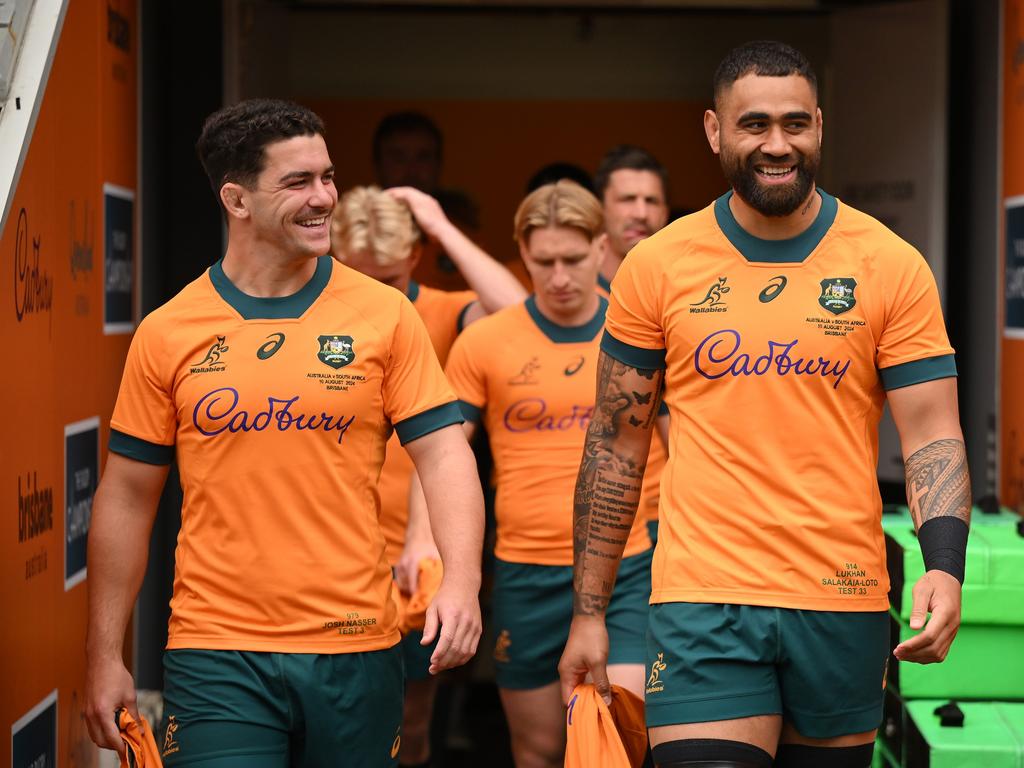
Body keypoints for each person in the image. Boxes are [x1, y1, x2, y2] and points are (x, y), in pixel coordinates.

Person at [559, 41, 969, 768]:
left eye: (794, 124)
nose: (776, 145)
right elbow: (616, 444)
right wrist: (589, 612)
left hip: (842, 599)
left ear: (819, 125)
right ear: (715, 131)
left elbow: (932, 431)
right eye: (753, 126)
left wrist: (944, 564)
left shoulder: (888, 263)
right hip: (701, 600)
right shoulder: (659, 264)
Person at [84, 98, 484, 767]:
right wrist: (102, 654)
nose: (325, 197)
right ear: (236, 200)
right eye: (298, 183)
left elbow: (443, 454)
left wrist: (462, 581)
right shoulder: (168, 330)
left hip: (356, 645)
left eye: (327, 177)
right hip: (216, 650)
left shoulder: (385, 315)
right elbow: (126, 494)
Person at [443, 180, 655, 768]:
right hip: (524, 570)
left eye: (573, 259)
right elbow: (443, 456)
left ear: (602, 249)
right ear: (522, 254)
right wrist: (428, 548)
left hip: (626, 566)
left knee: (615, 740)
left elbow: (685, 442)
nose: (559, 276)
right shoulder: (485, 341)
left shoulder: (639, 331)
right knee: (537, 749)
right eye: (543, 262)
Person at [331, 184, 526, 768]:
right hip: (336, 552)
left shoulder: (441, 310)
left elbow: (519, 316)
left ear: (413, 257)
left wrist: (439, 225)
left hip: (419, 557)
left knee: (410, 724)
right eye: (358, 275)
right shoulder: (315, 316)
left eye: (388, 279)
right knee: (340, 722)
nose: (375, 293)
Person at [593, 145, 672, 542]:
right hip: (595, 504)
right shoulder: (572, 298)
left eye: (651, 201)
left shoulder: (685, 299)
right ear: (599, 211)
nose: (640, 212)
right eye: (627, 199)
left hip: (664, 511)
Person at [372, 111, 481, 291]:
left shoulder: (462, 233)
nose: (412, 170)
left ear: (438, 164)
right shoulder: (351, 232)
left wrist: (444, 230)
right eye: (399, 158)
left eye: (423, 157)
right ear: (378, 164)